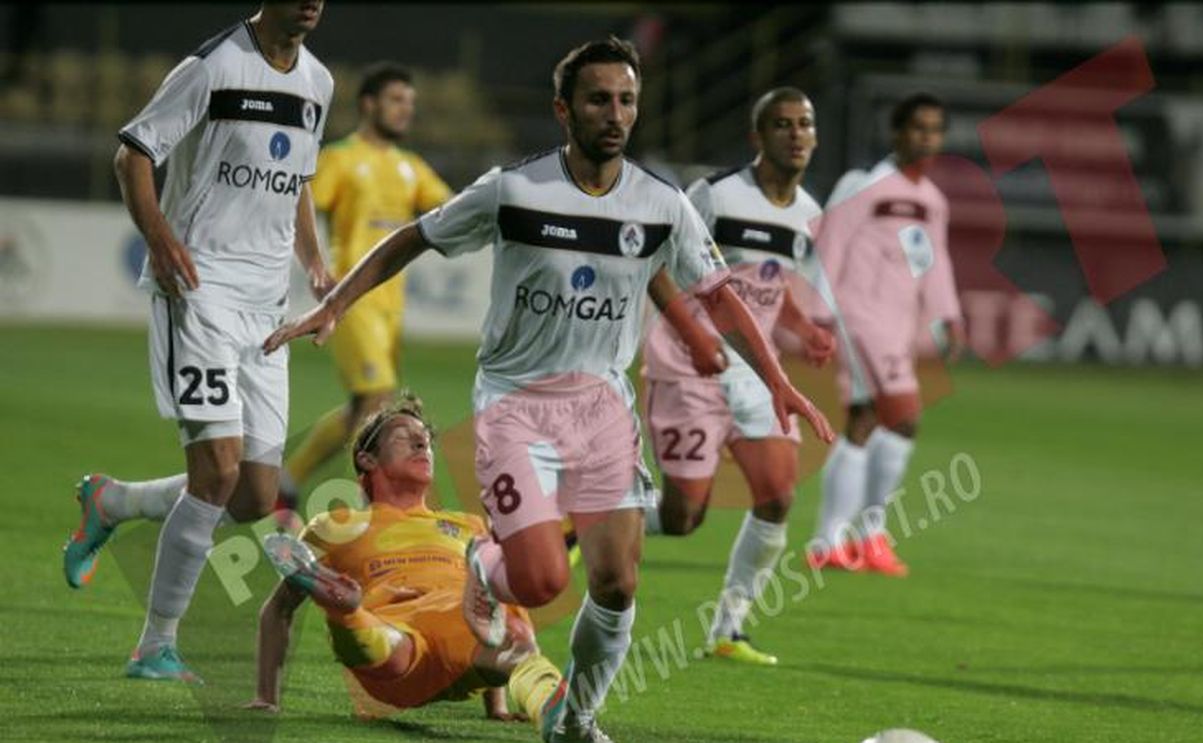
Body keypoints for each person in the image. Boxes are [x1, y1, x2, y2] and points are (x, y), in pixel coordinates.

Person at [263, 37, 832, 743]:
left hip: (603, 409)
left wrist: (778, 381)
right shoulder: (514, 190)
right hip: (516, 405)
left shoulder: (662, 204)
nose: (615, 114)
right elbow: (415, 237)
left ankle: (576, 719)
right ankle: (484, 564)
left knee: (618, 582)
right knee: (538, 583)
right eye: (598, 100)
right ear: (564, 109)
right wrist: (334, 303)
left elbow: (719, 294)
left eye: (626, 100)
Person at [61, 1, 335, 682]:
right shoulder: (212, 66)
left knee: (253, 495)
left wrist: (315, 264)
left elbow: (298, 181)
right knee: (216, 472)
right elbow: (132, 156)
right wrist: (160, 239)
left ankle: (113, 502)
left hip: (267, 307)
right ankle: (154, 645)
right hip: (201, 290)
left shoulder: (319, 82)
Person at [640, 87, 835, 665]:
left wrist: (803, 326)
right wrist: (696, 335)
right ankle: (586, 520)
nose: (795, 134)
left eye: (804, 124)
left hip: (753, 371)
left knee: (778, 494)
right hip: (689, 364)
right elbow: (659, 266)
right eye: (782, 124)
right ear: (758, 136)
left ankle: (730, 628)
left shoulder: (809, 211)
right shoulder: (715, 195)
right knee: (683, 517)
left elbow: (775, 280)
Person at [248, 394, 563, 726]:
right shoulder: (336, 526)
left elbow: (489, 602)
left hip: (467, 635)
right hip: (398, 634)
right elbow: (278, 609)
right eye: (404, 438)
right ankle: (346, 612)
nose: (421, 445)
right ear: (367, 459)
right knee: (384, 642)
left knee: (516, 642)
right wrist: (266, 698)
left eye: (424, 441)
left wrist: (496, 708)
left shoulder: (469, 526)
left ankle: (561, 720)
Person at [808, 92, 965, 575]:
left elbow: (932, 263)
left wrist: (948, 316)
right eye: (918, 128)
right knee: (902, 416)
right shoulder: (865, 184)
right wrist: (818, 313)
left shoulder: (931, 201)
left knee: (866, 420)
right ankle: (864, 534)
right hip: (859, 317)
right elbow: (830, 245)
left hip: (897, 325)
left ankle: (839, 541)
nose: (926, 138)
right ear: (896, 132)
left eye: (935, 130)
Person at [280, 62, 452, 503]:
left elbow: (452, 209)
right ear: (368, 104)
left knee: (362, 407)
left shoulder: (411, 167)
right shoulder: (341, 158)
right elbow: (301, 208)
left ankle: (286, 483)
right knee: (378, 398)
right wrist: (317, 267)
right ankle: (377, 508)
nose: (405, 110)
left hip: (391, 304)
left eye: (410, 103)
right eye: (396, 100)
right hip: (353, 298)